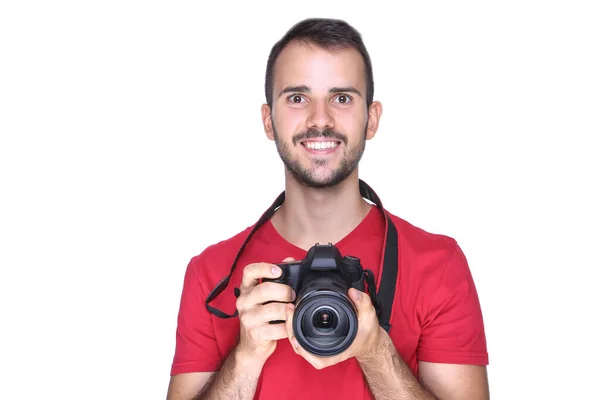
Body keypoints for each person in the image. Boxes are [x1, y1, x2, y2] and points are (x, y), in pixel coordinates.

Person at [166, 17, 489, 400]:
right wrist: (246, 358)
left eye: (342, 98)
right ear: (269, 120)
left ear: (372, 118)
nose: (320, 120)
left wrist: (375, 351)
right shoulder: (212, 274)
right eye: (298, 98)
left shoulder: (439, 265)